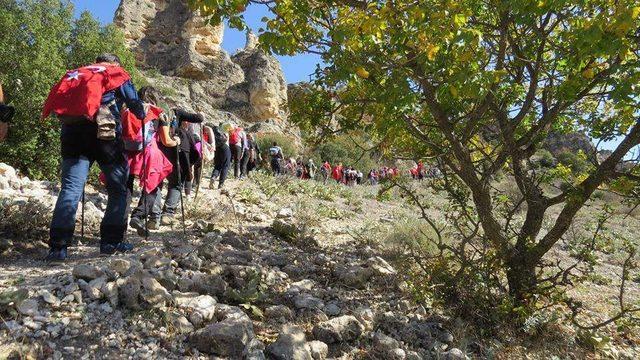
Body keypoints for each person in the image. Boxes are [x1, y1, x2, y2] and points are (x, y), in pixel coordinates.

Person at [42, 54, 146, 261]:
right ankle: (111, 242)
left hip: (71, 132)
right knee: (118, 187)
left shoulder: (76, 73)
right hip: (104, 133)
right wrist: (141, 113)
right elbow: (135, 104)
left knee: (71, 188)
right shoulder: (116, 72)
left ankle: (58, 248)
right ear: (115, 63)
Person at [123, 86, 177, 236]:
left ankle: (120, 226)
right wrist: (176, 141)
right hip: (149, 153)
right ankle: (139, 215)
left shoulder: (127, 109)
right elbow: (166, 141)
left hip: (127, 152)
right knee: (153, 185)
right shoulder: (158, 113)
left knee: (125, 188)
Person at [159, 109, 203, 224]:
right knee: (176, 183)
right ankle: (168, 214)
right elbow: (198, 119)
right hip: (178, 147)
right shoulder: (176, 112)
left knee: (158, 182)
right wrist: (201, 115)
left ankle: (153, 214)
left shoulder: (156, 112)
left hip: (160, 147)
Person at [210, 124, 231, 189]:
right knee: (225, 166)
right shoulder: (225, 131)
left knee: (217, 165)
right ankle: (221, 184)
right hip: (225, 148)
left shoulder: (216, 131)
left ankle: (214, 177)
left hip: (217, 148)